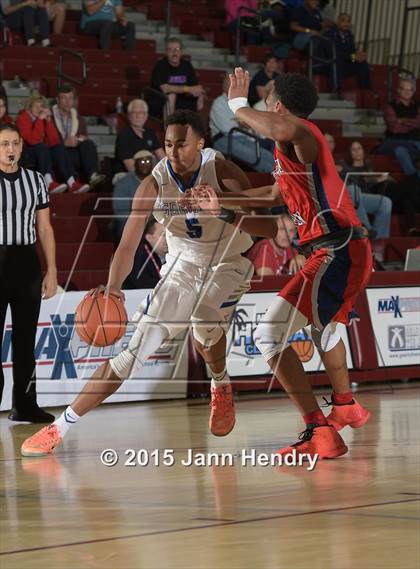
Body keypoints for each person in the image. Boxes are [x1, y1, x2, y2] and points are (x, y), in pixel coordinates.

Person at [20, 110, 281, 456]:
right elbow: (127, 244)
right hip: (182, 265)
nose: (173, 152)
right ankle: (59, 427)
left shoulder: (223, 171)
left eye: (182, 144)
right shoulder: (153, 185)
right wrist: (113, 286)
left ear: (201, 143)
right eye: (168, 144)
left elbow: (268, 229)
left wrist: (219, 208)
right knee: (131, 355)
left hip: (227, 263)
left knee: (203, 321)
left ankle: (220, 382)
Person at [199, 69, 373, 460]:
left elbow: (281, 128)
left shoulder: (304, 134)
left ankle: (320, 429)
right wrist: (221, 206)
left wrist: (237, 107)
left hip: (338, 249)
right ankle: (345, 405)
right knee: (324, 331)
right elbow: (270, 194)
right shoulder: (290, 151)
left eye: (269, 104)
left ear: (278, 106)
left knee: (270, 336)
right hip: (338, 251)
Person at [0, 123, 57, 422]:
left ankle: (25, 405)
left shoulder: (35, 181)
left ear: (22, 146)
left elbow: (45, 228)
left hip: (26, 263)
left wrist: (52, 270)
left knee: (26, 339)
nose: (9, 149)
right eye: (3, 144)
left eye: (14, 143)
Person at [341, 139, 420, 237]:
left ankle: (380, 238)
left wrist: (383, 179)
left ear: (363, 150)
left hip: (374, 195)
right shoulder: (346, 169)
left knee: (387, 200)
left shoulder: (369, 167)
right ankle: (366, 229)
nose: (357, 151)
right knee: (354, 189)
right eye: (354, 149)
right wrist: (376, 180)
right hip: (356, 198)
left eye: (359, 148)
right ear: (350, 153)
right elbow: (352, 187)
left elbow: (375, 185)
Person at [16, 94, 89, 193]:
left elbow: (54, 140)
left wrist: (49, 121)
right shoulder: (22, 118)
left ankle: (72, 183)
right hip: (26, 153)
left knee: (58, 147)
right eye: (36, 106)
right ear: (29, 107)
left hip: (41, 151)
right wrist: (40, 120)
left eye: (41, 106)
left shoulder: (42, 119)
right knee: (41, 146)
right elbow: (32, 140)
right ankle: (48, 182)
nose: (39, 109)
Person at [325, 134, 392, 239]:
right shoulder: (317, 160)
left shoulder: (340, 163)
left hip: (353, 197)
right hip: (335, 200)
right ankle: (366, 229)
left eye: (331, 142)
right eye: (326, 141)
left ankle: (380, 240)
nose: (328, 144)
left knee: (385, 202)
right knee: (353, 189)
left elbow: (354, 178)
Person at [210, 74, 274, 172]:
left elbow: (251, 122)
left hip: (246, 138)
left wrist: (248, 124)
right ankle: (275, 179)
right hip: (226, 139)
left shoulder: (244, 103)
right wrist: (242, 124)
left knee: (271, 157)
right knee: (256, 157)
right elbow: (227, 128)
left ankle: (281, 177)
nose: (237, 87)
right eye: (233, 84)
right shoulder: (219, 103)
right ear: (226, 86)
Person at [52, 85, 105, 188]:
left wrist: (80, 140)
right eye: (64, 98)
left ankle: (93, 175)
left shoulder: (79, 119)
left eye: (70, 98)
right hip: (58, 153)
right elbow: (46, 141)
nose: (68, 102)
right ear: (57, 100)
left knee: (88, 143)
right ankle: (76, 182)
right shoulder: (49, 117)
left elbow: (83, 137)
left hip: (74, 152)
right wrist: (64, 142)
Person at [376, 77, 420, 178]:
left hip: (416, 141)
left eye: (410, 89)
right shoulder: (390, 106)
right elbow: (394, 128)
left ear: (413, 92)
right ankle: (414, 177)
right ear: (399, 90)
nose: (407, 92)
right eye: (404, 89)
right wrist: (412, 124)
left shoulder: (418, 106)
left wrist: (402, 120)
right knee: (400, 151)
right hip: (396, 142)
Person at [150, 38, 205, 117]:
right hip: (162, 99)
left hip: (183, 98)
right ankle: (169, 128)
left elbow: (195, 86)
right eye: (170, 49)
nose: (174, 52)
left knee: (200, 93)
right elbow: (165, 88)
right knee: (171, 96)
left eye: (177, 49)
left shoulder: (187, 65)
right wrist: (188, 89)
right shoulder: (160, 65)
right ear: (166, 52)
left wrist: (197, 90)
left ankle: (193, 126)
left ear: (181, 52)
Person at [113, 149, 155, 243]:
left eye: (148, 161)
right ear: (135, 164)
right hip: (131, 222)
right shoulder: (123, 183)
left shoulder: (158, 180)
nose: (145, 164)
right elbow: (120, 212)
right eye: (142, 161)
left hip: (154, 222)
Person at [115, 99, 164, 175]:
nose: (138, 116)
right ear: (129, 115)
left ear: (146, 115)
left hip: (148, 173)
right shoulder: (124, 136)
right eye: (134, 113)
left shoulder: (150, 133)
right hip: (127, 175)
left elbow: (163, 159)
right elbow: (131, 168)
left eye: (141, 113)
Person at [325, 13, 371, 91]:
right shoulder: (330, 34)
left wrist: (358, 55)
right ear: (337, 22)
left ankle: (365, 90)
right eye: (343, 21)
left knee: (363, 63)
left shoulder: (349, 36)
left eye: (348, 21)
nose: (346, 23)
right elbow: (333, 53)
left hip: (344, 62)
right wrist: (353, 57)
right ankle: (336, 90)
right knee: (337, 61)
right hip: (329, 62)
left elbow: (351, 52)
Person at [124, 218, 167, 290]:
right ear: (149, 238)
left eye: (169, 234)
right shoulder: (140, 253)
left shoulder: (173, 252)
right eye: (163, 234)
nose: (168, 238)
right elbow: (142, 282)